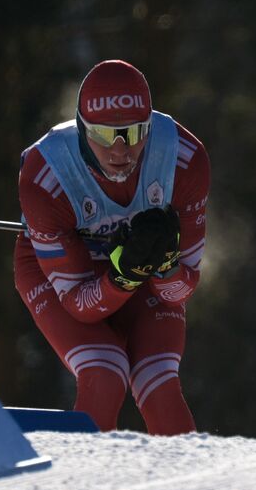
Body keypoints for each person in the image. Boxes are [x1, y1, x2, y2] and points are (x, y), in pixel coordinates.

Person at [15, 59, 208, 434]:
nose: (121, 151)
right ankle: (81, 485)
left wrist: (166, 265)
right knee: (104, 372)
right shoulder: (45, 175)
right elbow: (78, 305)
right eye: (104, 136)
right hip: (62, 276)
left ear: (150, 126)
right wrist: (122, 278)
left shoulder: (184, 160)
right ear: (81, 130)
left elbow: (181, 290)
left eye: (135, 133)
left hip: (138, 279)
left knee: (160, 382)